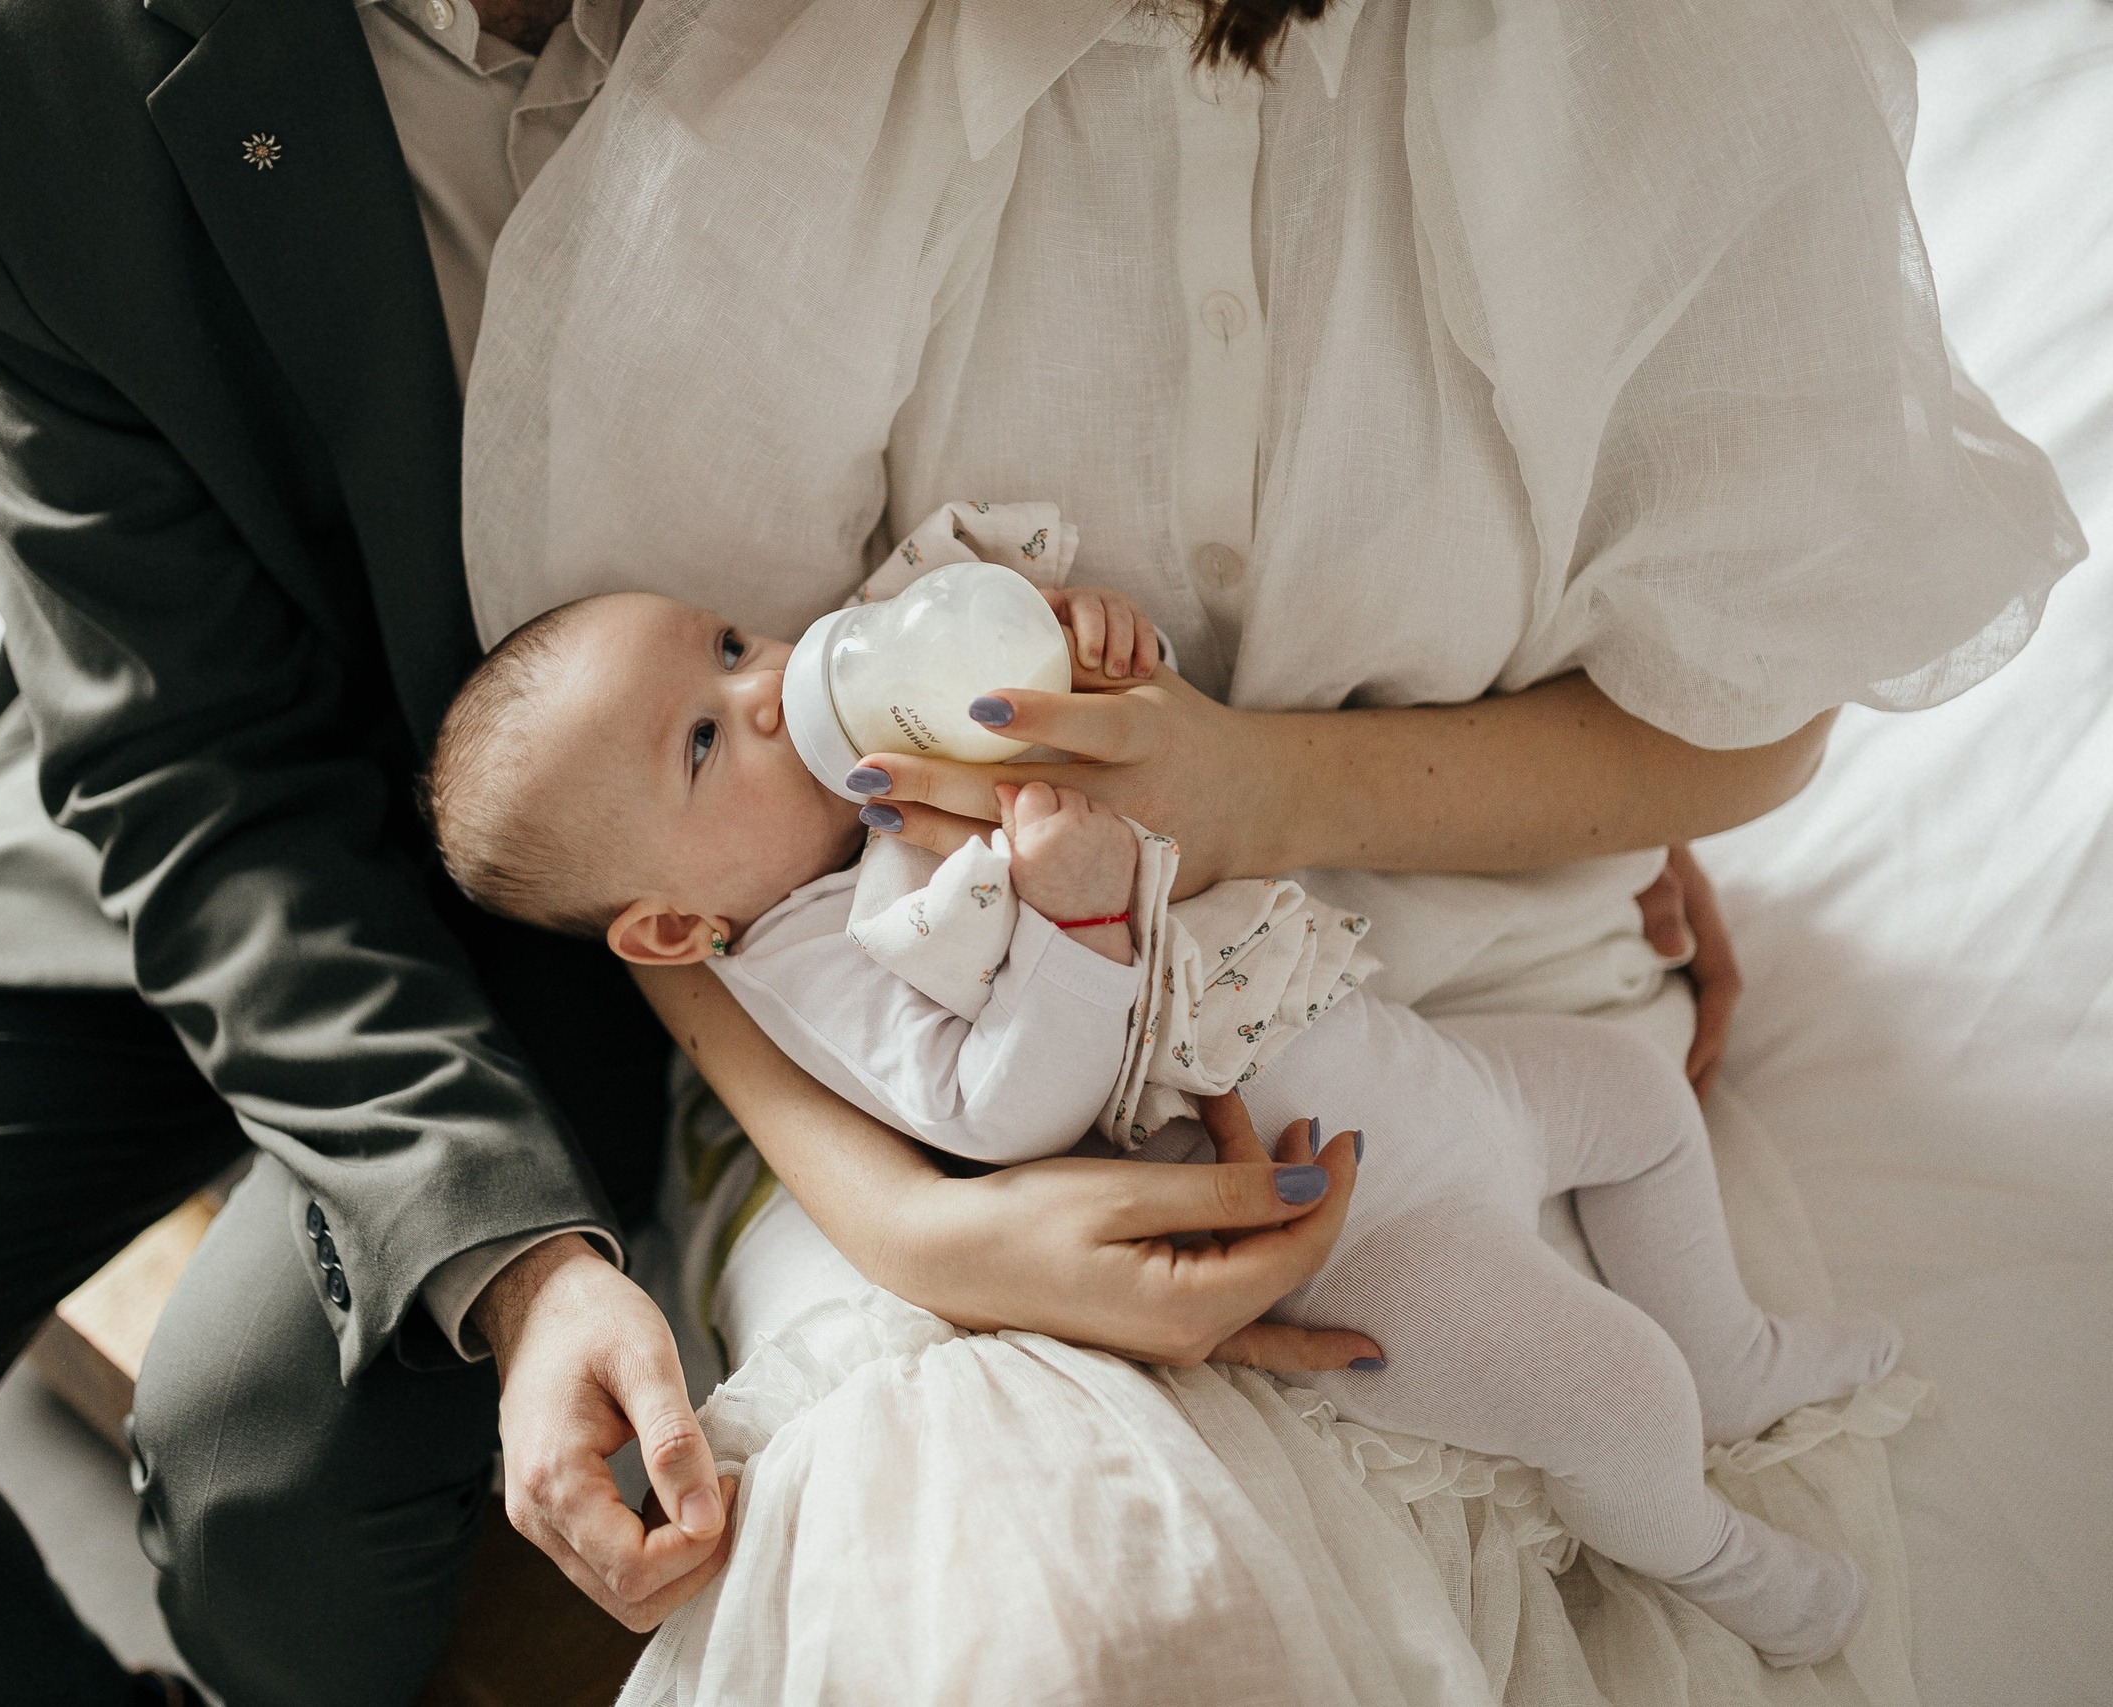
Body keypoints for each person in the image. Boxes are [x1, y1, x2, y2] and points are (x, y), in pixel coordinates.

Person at [0, 0, 1377, 1702]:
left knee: (275, 1506)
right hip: (206, 795)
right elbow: (185, 759)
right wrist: (516, 1258)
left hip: (677, 832)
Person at [453, 0, 2085, 1694]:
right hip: (1156, 1170)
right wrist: (920, 1210)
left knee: (1627, 1222)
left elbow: (1748, 696)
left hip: (1449, 999)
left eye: (742, 648)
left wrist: (1225, 756)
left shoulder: (1639, 60)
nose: (773, 677)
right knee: (1149, 1592)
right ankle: (1705, 1534)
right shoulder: (802, 82)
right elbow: (712, 906)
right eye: (719, 709)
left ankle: (1724, 1383)